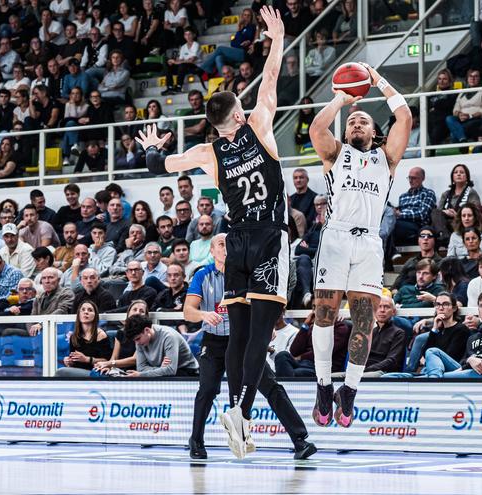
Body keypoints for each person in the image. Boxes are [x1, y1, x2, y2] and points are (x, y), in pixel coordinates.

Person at [137, 6, 295, 459]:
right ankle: (241, 414)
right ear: (240, 114)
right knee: (260, 335)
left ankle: (231, 405)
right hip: (267, 237)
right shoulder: (261, 127)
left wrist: (152, 147)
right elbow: (270, 77)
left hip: (236, 241)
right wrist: (277, 36)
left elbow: (159, 165)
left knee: (239, 333)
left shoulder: (207, 152)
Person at [305, 60, 411, 427]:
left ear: (375, 131)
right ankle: (322, 385)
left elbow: (405, 117)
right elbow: (317, 128)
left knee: (363, 320)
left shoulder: (387, 158)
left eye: (363, 121)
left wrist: (377, 80)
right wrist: (339, 99)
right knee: (326, 316)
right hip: (335, 236)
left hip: (368, 242)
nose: (355, 123)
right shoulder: (336, 154)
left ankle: (348, 390)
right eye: (352, 121)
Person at [183, 233, 316, 460]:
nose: (227, 249)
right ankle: (196, 440)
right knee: (207, 390)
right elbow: (188, 311)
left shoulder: (247, 275)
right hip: (215, 342)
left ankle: (300, 440)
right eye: (222, 245)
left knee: (271, 387)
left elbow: (259, 308)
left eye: (230, 244)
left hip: (244, 341)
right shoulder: (203, 275)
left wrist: (263, 329)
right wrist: (204, 314)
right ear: (212, 251)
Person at [122, 315, 198, 378]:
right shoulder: (139, 340)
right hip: (170, 371)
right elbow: (141, 368)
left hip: (188, 371)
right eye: (135, 340)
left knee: (157, 376)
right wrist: (161, 369)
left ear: (147, 330)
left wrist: (140, 375)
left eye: (138, 339)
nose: (137, 343)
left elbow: (170, 370)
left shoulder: (169, 336)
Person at [55, 301, 112, 377]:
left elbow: (107, 361)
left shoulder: (100, 335)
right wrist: (69, 361)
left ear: (95, 315)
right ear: (79, 314)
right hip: (78, 370)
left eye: (90, 310)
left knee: (60, 372)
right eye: (83, 310)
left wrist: (87, 359)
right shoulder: (74, 336)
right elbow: (73, 359)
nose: (86, 312)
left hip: (94, 371)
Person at [431, 164, 482, 243]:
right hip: (445, 225)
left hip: (461, 223)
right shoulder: (446, 194)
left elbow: (476, 213)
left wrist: (457, 215)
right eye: (456, 172)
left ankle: (445, 237)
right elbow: (438, 212)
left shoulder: (471, 192)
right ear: (452, 177)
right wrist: (445, 212)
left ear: (467, 177)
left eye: (462, 172)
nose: (458, 174)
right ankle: (444, 235)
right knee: (434, 212)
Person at [391, 226, 442, 291]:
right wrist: (394, 291)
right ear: (418, 240)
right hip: (405, 296)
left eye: (429, 236)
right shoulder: (411, 261)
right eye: (422, 236)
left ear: (434, 240)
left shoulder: (441, 263)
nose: (425, 238)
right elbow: (397, 283)